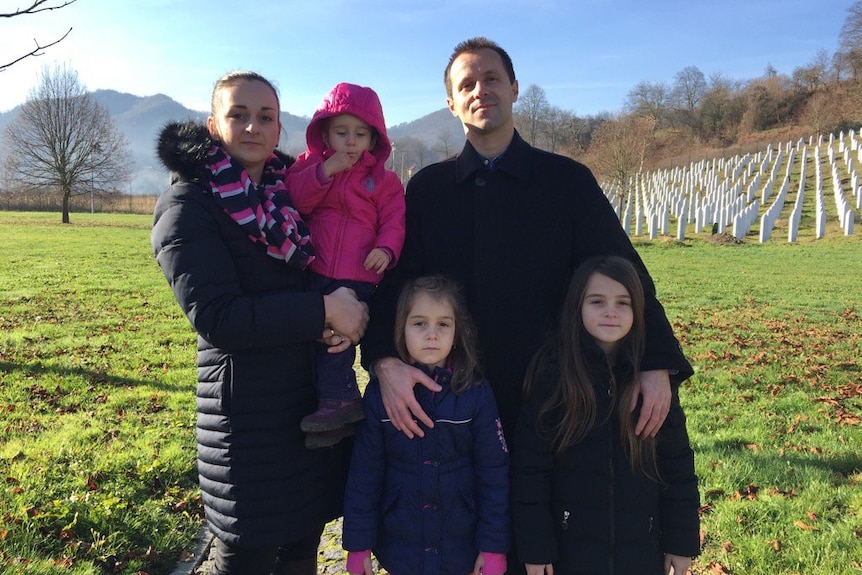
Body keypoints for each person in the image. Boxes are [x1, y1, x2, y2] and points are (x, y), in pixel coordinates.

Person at [362, 35, 692, 448]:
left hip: (553, 398)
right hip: (450, 400)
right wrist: (383, 361)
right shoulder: (429, 189)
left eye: (492, 78)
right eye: (466, 85)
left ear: (514, 88)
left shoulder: (567, 181)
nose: (480, 90)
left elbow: (623, 271)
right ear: (451, 104)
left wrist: (655, 360)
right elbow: (397, 282)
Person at [151, 70, 367, 575]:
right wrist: (324, 312)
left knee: (300, 555)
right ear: (212, 125)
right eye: (238, 115)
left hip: (305, 412)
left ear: (278, 128)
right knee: (245, 557)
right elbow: (218, 317)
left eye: (265, 116)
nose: (253, 126)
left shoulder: (289, 198)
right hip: (245, 425)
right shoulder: (187, 206)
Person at [510, 256, 699, 575]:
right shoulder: (555, 377)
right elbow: (530, 470)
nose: (610, 311)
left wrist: (680, 542)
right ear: (577, 306)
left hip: (640, 553)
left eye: (622, 303)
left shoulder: (653, 386)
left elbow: (677, 464)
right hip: (570, 554)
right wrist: (535, 547)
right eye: (597, 301)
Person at [343, 275, 510, 575]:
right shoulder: (380, 397)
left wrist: (493, 546)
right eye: (419, 323)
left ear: (457, 332)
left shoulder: (475, 392)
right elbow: (364, 474)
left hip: (461, 547)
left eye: (443, 324)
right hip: (401, 546)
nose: (431, 334)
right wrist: (358, 545)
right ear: (401, 329)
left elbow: (494, 473)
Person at [287, 82, 406, 449]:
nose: (351, 142)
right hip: (315, 267)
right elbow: (294, 200)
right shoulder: (308, 166)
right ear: (324, 132)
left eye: (360, 134)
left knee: (336, 340)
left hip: (359, 274)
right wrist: (326, 171)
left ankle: (340, 401)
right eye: (342, 133)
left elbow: (394, 220)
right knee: (315, 334)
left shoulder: (383, 181)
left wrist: (386, 249)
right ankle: (332, 402)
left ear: (374, 140)